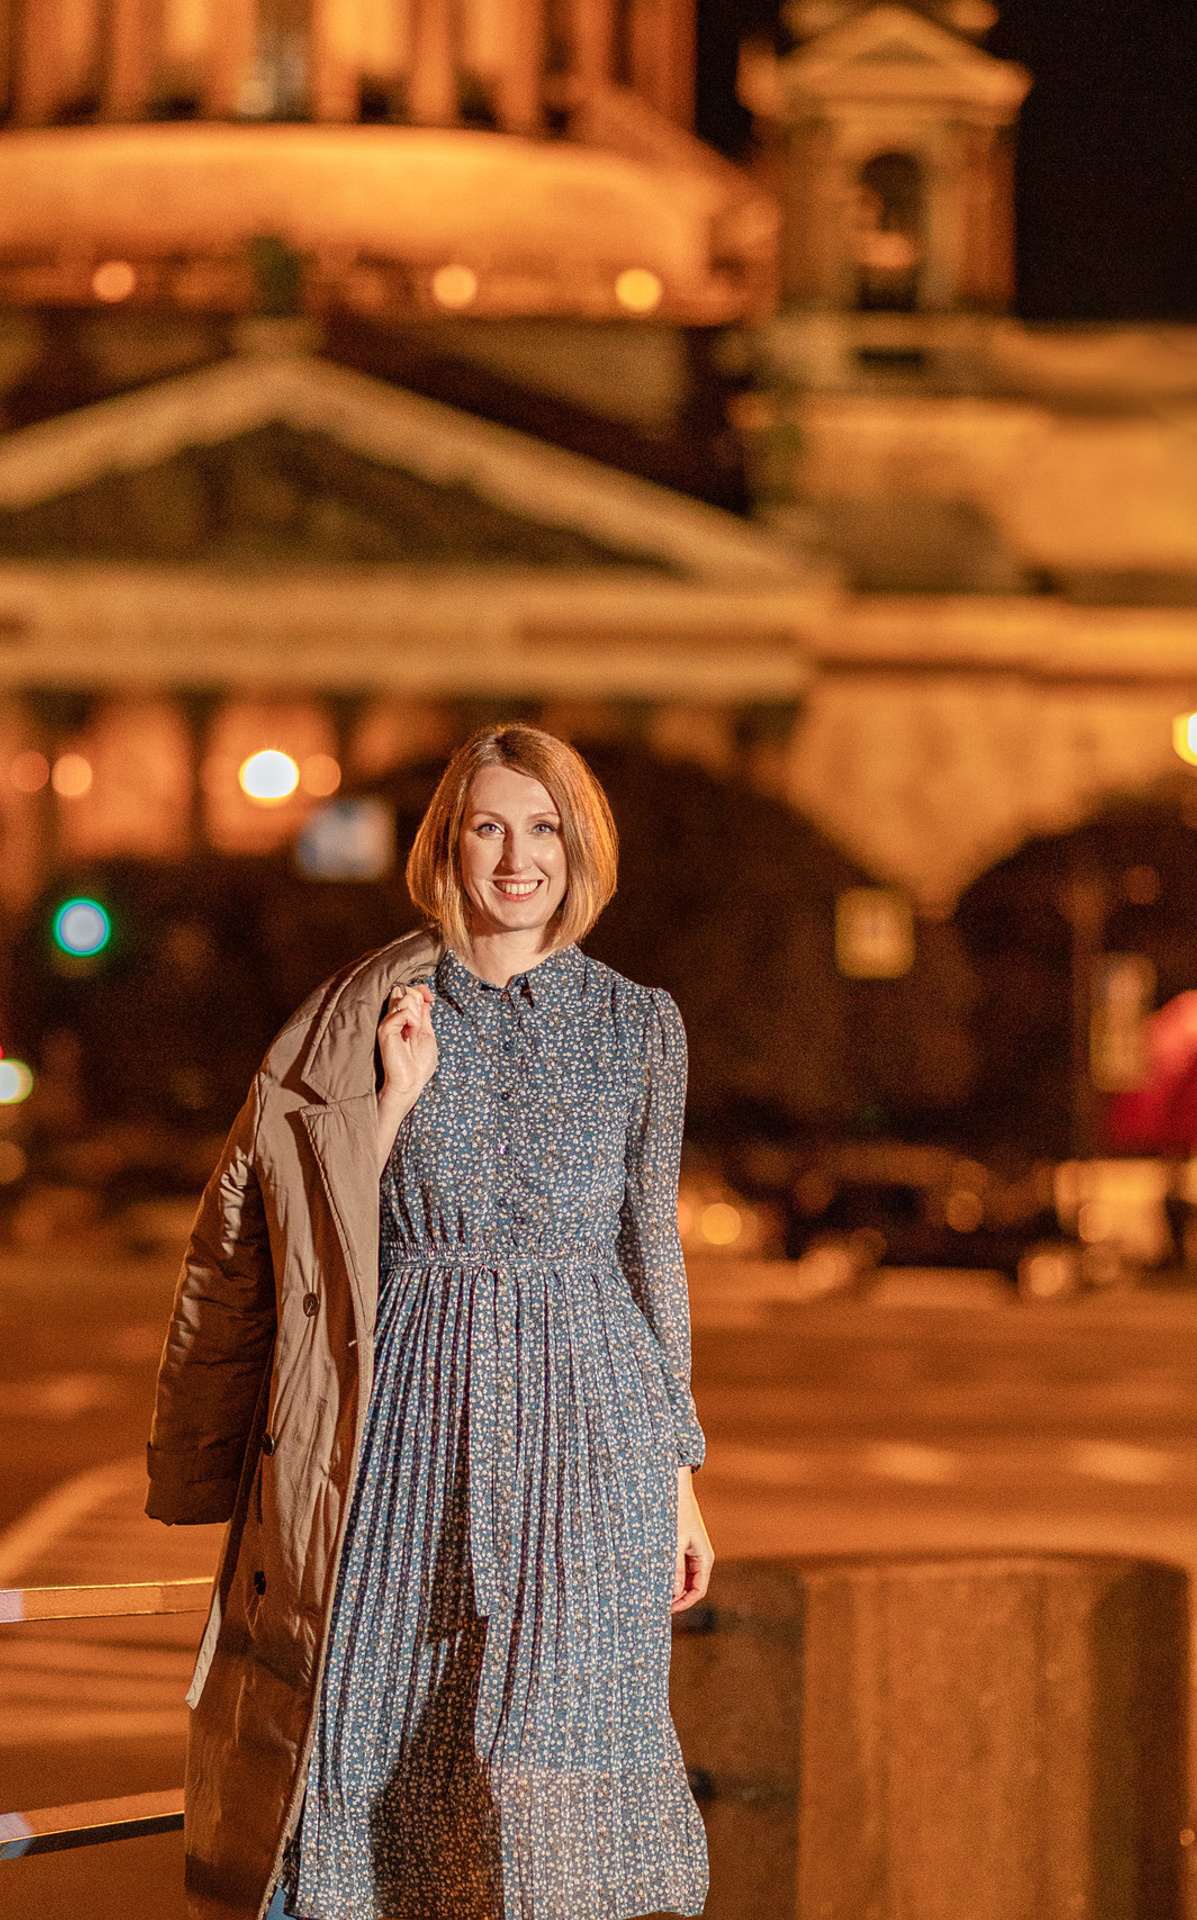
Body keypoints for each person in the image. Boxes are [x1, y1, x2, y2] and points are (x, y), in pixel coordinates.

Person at [148, 724, 712, 1920]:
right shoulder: (371, 1009)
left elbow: (646, 1248)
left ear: (581, 846)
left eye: (545, 827)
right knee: (375, 1718)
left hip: (592, 1420)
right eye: (490, 826)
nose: (519, 858)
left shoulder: (640, 1025)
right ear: (448, 845)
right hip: (408, 1404)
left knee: (567, 1730)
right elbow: (303, 1225)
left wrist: (681, 1478)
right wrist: (391, 1102)